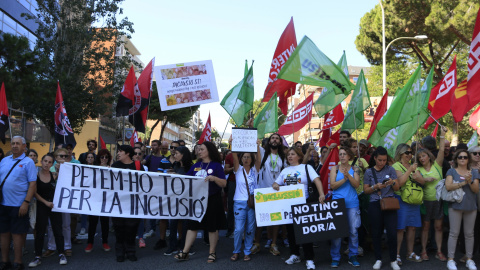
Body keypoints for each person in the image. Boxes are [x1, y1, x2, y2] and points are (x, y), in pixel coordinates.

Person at [174, 141, 227, 263]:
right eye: (198, 149)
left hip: (212, 199)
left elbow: (223, 183)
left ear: (209, 151)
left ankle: (212, 253)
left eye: (202, 149)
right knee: (192, 226)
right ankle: (185, 252)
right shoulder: (196, 165)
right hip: (197, 200)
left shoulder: (216, 166)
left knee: (212, 228)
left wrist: (214, 178)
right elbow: (187, 180)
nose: (199, 151)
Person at [273, 147, 325, 270]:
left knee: (305, 233)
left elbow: (317, 180)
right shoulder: (285, 170)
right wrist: (275, 185)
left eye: (293, 154)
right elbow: (277, 183)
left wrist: (321, 194)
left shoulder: (306, 168)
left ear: (299, 156)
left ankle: (309, 258)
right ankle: (295, 254)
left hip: (304, 204)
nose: (290, 156)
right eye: (288, 155)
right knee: (291, 232)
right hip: (289, 206)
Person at [0, 136, 37, 270]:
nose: (14, 145)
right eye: (13, 143)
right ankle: (5, 261)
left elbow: (32, 184)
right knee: (3, 233)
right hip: (3, 204)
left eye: (18, 143)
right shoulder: (4, 161)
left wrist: (26, 202)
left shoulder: (28, 162)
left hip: (19, 205)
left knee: (17, 234)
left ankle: (18, 262)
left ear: (24, 146)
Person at [363, 146, 401, 270]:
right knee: (376, 233)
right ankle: (378, 259)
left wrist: (392, 182)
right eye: (380, 160)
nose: (382, 163)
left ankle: (393, 260)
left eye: (384, 160)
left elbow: (397, 188)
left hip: (389, 202)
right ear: (374, 158)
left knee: (392, 233)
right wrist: (375, 187)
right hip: (375, 203)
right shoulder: (369, 171)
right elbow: (366, 190)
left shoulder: (390, 169)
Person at [28, 153, 67, 267]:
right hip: (42, 205)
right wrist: (46, 203)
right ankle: (37, 256)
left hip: (54, 206)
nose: (47, 163)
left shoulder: (54, 174)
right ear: (41, 161)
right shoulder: (35, 176)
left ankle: (61, 253)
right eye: (45, 161)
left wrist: (61, 167)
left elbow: (67, 176)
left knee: (58, 231)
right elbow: (34, 193)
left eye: (50, 162)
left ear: (52, 164)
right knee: (40, 232)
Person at [252, 133, 286, 256]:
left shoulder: (283, 157)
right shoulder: (262, 152)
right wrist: (251, 128)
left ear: (280, 142)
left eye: (277, 138)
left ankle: (274, 244)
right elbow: (254, 140)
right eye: (273, 138)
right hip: (263, 191)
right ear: (269, 141)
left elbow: (286, 174)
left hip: (277, 192)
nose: (275, 140)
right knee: (261, 219)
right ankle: (256, 244)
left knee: (276, 219)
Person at [445, 149, 479, 270]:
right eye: (460, 157)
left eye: (465, 157)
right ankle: (450, 260)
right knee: (454, 233)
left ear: (468, 159)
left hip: (471, 206)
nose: (463, 159)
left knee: (469, 234)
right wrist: (463, 183)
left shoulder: (474, 172)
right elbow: (448, 186)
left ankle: (469, 259)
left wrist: (469, 181)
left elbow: (476, 190)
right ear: (456, 159)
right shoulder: (451, 171)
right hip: (455, 206)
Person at [417, 127, 447, 262]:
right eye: (419, 157)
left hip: (438, 200)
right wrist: (425, 179)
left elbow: (441, 149)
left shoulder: (437, 165)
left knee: (439, 227)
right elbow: (416, 179)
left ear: (429, 156)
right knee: (426, 227)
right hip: (425, 201)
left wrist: (442, 134)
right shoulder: (417, 169)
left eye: (423, 155)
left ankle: (439, 251)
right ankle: (423, 251)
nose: (422, 158)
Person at [328, 147, 361, 267]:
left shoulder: (355, 169)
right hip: (337, 204)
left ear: (349, 156)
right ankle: (335, 257)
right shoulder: (334, 169)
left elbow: (356, 185)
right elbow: (332, 186)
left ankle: (353, 255)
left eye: (344, 154)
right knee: (337, 232)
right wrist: (344, 179)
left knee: (353, 231)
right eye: (340, 154)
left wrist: (349, 176)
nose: (342, 156)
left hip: (352, 204)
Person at [392, 144, 424, 265]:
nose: (410, 155)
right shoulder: (396, 166)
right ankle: (397, 254)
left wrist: (417, 176)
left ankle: (410, 252)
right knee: (400, 228)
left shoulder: (413, 166)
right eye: (407, 153)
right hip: (402, 200)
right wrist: (411, 171)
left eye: (411, 152)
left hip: (414, 200)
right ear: (401, 154)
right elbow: (399, 183)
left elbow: (422, 181)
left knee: (412, 227)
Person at [230, 139, 261, 262]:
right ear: (241, 159)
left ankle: (247, 251)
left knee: (250, 229)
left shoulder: (255, 170)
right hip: (239, 202)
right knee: (238, 229)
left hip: (252, 203)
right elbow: (234, 157)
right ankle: (236, 251)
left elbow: (259, 159)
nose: (246, 159)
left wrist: (257, 146)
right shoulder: (238, 170)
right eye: (244, 157)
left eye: (248, 157)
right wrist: (232, 144)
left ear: (251, 159)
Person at [111, 145, 143, 262]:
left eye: (120, 151)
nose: (118, 153)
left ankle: (130, 251)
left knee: (131, 228)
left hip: (133, 203)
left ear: (128, 153)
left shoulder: (138, 166)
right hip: (117, 203)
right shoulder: (115, 166)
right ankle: (120, 252)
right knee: (119, 228)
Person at [43, 148, 73, 258]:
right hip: (53, 199)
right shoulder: (49, 168)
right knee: (52, 225)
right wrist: (57, 171)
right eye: (61, 156)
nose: (63, 158)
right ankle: (51, 247)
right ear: (56, 158)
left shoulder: (71, 168)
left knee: (66, 224)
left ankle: (67, 246)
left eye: (65, 156)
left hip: (66, 199)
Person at [164, 146, 193, 256]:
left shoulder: (190, 167)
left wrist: (178, 175)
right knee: (172, 224)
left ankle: (184, 247)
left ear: (183, 155)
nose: (174, 155)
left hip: (187, 200)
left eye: (176, 153)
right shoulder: (175, 165)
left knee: (186, 224)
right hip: (175, 199)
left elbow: (192, 180)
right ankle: (172, 246)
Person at [84, 149, 112, 253]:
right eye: (102, 157)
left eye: (106, 157)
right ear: (98, 158)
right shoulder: (93, 169)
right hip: (94, 199)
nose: (104, 159)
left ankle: (105, 242)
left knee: (105, 223)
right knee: (92, 223)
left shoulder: (111, 169)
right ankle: (90, 243)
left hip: (105, 200)